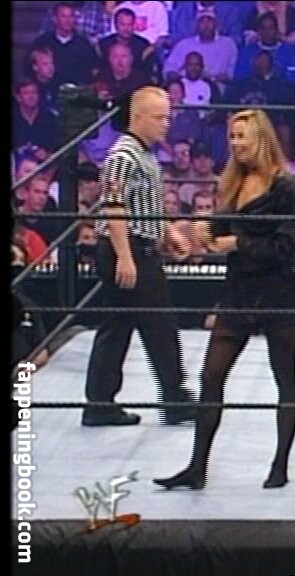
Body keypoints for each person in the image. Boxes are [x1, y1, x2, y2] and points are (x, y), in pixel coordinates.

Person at [154, 109, 295, 490]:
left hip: (277, 292)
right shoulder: (233, 182)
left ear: (260, 139)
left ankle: (280, 465)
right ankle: (197, 467)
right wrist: (198, 234)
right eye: (232, 137)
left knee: (284, 377)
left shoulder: (284, 185)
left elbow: (286, 246)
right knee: (211, 375)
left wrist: (237, 243)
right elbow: (219, 230)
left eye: (242, 136)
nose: (236, 144)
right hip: (238, 291)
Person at [82, 86, 196, 427]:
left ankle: (100, 404)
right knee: (158, 324)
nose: (166, 124)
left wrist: (169, 232)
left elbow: (146, 204)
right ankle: (175, 399)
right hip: (127, 247)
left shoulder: (144, 154)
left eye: (167, 117)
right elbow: (114, 206)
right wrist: (125, 256)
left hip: (137, 246)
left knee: (118, 327)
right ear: (138, 117)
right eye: (159, 118)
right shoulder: (123, 156)